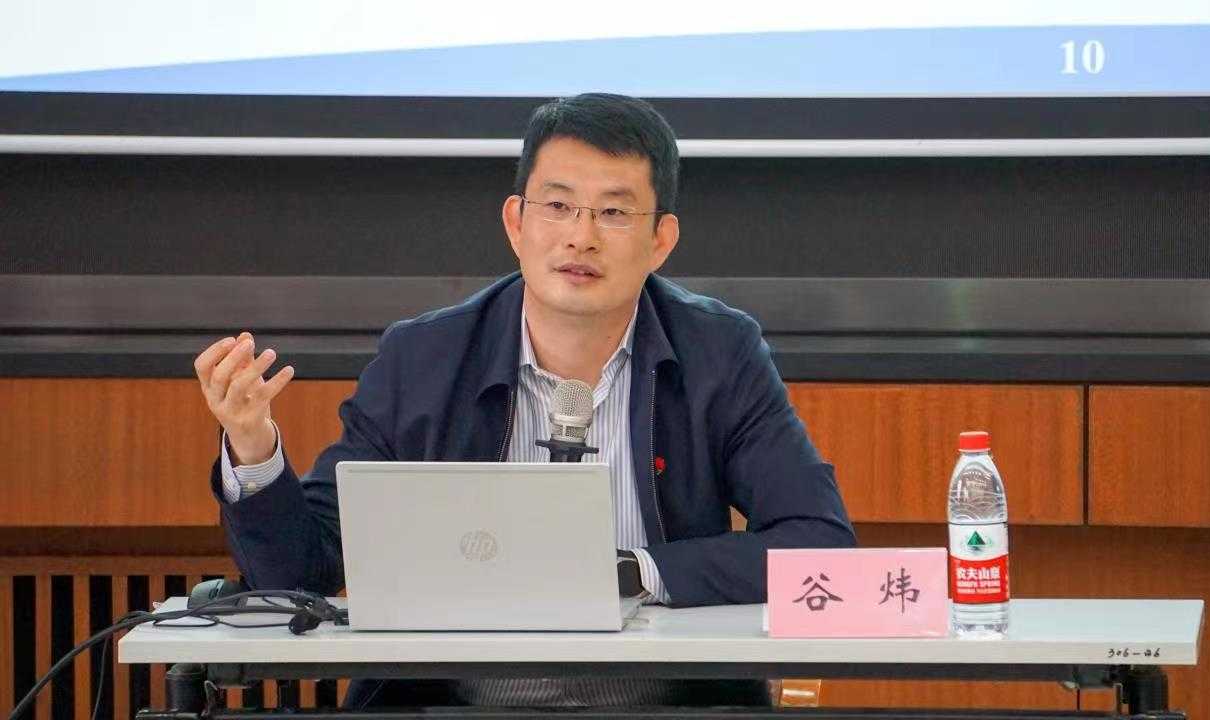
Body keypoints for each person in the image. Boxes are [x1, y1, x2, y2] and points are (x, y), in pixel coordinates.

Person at [193, 93, 856, 708]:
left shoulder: (719, 353)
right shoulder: (424, 359)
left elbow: (818, 541)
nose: (581, 236)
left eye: (614, 212)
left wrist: (632, 573)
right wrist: (254, 448)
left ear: (660, 240)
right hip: (450, 712)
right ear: (516, 222)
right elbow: (299, 573)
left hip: (665, 711)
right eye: (558, 206)